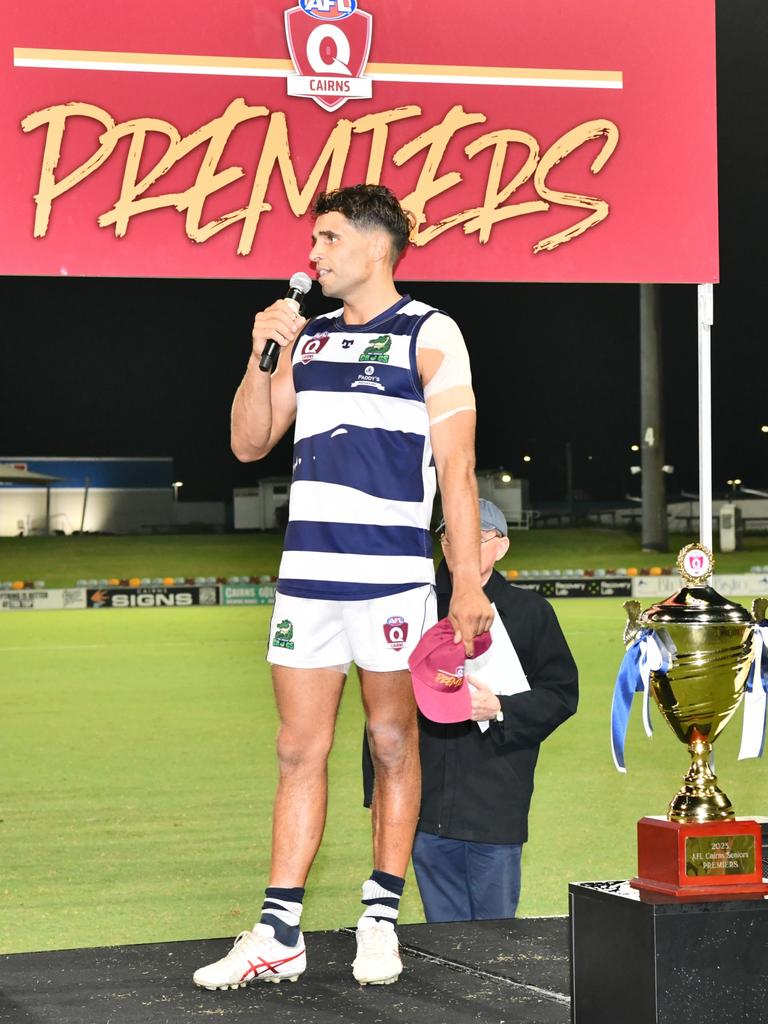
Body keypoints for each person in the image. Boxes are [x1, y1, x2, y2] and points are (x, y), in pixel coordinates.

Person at [193, 184, 492, 991]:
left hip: (392, 582)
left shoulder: (432, 334)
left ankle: (379, 918)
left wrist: (465, 581)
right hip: (307, 582)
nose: (314, 254)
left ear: (374, 246)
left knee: (392, 743)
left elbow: (458, 472)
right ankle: (278, 932)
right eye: (313, 240)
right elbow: (250, 441)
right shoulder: (311, 337)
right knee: (297, 749)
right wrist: (264, 353)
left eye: (327, 238)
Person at [363, 499, 578, 922]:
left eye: (477, 539)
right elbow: (384, 703)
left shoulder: (530, 613)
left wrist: (501, 707)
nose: (461, 548)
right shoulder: (416, 609)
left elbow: (561, 695)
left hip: (496, 806)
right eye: (451, 538)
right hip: (424, 807)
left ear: (502, 547)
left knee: (495, 938)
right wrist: (379, 789)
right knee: (442, 939)